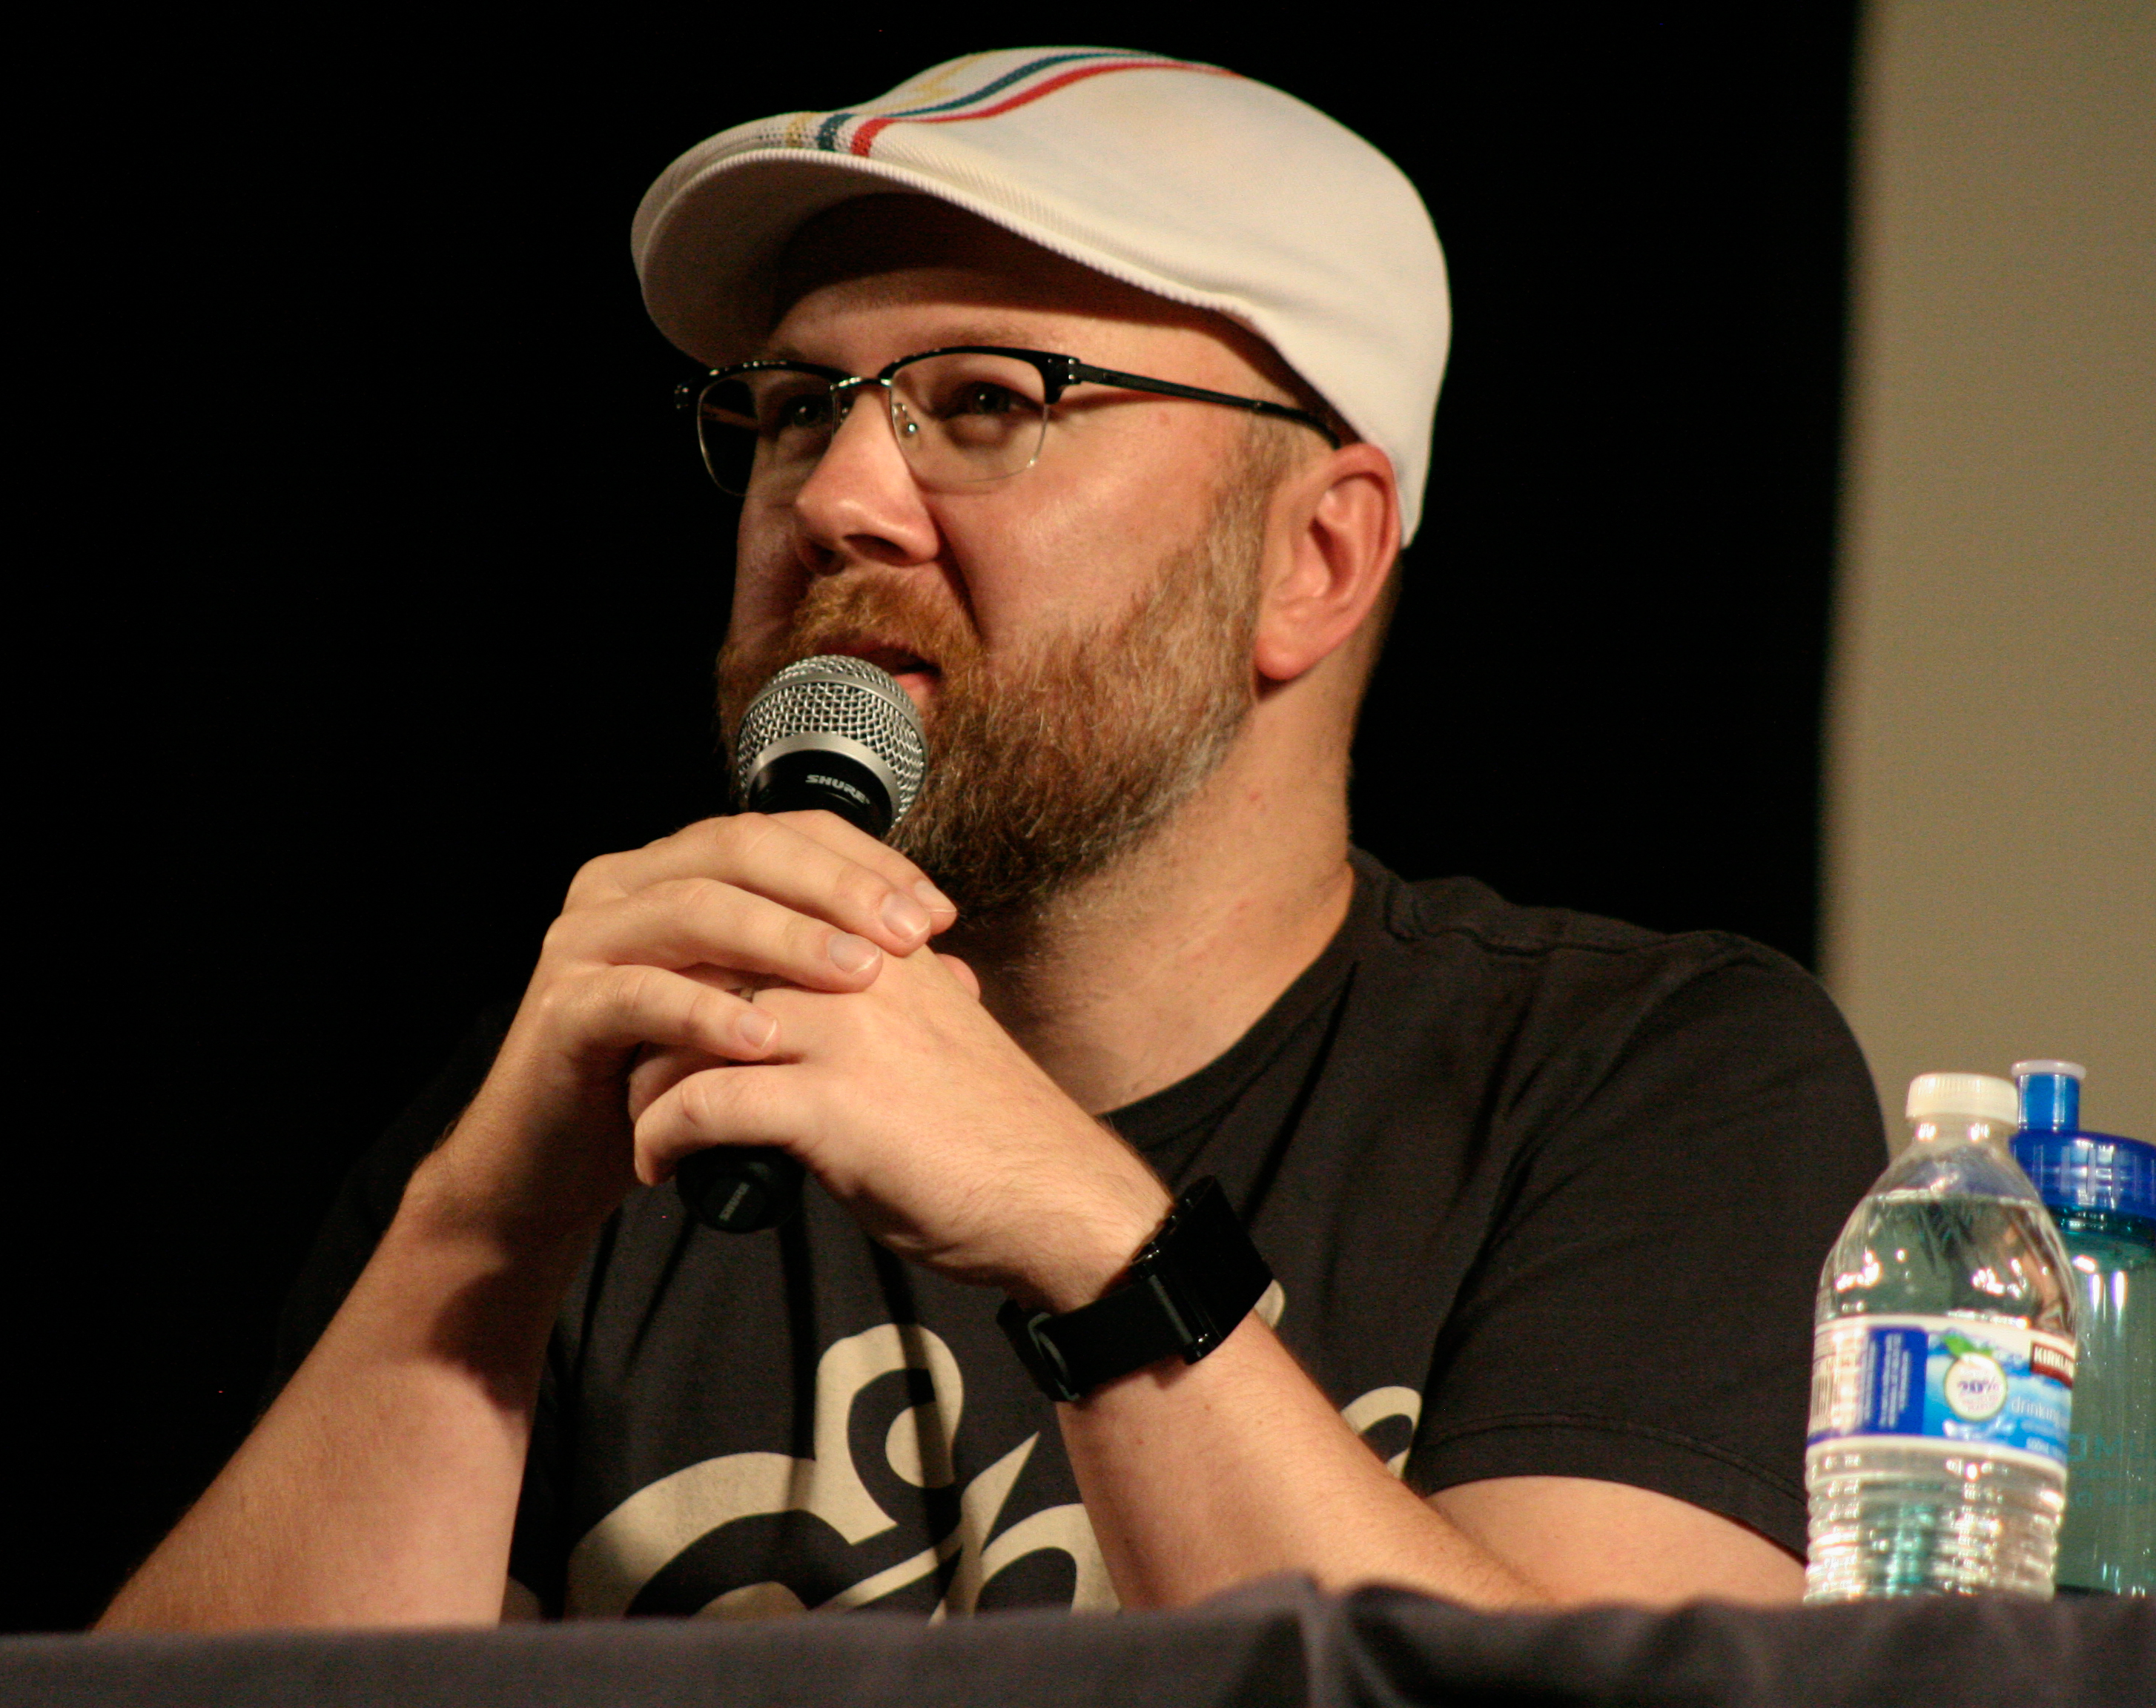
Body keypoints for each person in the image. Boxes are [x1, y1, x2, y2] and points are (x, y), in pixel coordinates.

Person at [102, 46, 1883, 1629]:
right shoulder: (610, 1106)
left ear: (1314, 560)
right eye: (796, 409)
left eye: (986, 404)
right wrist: (477, 1236)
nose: (836, 500)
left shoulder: (1642, 1085)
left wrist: (1095, 1242)